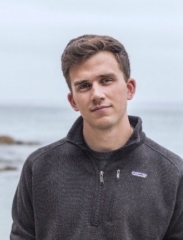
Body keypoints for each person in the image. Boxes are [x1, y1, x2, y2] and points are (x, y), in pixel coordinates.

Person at [10, 35, 183, 240]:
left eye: (106, 80)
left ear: (129, 88)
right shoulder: (39, 167)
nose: (97, 94)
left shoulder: (172, 173)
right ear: (73, 101)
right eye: (84, 86)